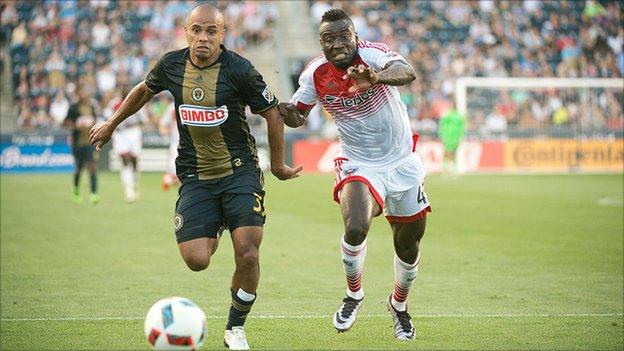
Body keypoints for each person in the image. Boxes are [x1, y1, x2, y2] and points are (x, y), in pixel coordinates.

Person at [89, 4, 301, 350]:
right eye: (197, 30)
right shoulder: (171, 64)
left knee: (248, 252)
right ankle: (216, 221)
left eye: (211, 31)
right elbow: (144, 90)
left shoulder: (240, 70)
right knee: (197, 260)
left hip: (240, 172)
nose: (203, 37)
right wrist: (111, 124)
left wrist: (277, 165)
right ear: (186, 31)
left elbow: (273, 114)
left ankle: (235, 327)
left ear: (222, 34)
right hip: (195, 175)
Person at [278, 9, 431, 340]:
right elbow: (297, 117)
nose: (336, 44)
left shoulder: (373, 54)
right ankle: (354, 295)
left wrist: (375, 77)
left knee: (409, 246)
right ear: (321, 44)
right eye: (328, 39)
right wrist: (283, 112)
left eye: (343, 36)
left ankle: (399, 306)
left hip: (403, 162)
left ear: (355, 37)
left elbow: (407, 71)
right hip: (359, 162)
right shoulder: (315, 75)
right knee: (357, 225)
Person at [107, 86, 147, 202]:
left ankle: (134, 183)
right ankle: (128, 190)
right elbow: (107, 118)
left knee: (134, 161)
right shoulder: (114, 104)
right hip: (120, 134)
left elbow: (143, 120)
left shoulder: (138, 101)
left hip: (134, 132)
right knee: (125, 160)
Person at [64, 85, 100, 204]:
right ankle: (76, 190)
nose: (83, 95)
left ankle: (94, 193)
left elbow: (95, 121)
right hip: (78, 142)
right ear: (78, 94)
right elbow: (66, 123)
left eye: (85, 92)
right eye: (81, 93)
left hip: (90, 142)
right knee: (79, 168)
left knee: (92, 167)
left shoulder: (91, 107)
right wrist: (77, 126)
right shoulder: (73, 108)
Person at [438, 105, 466, 176]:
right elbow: (462, 129)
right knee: (453, 154)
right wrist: (460, 138)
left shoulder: (447, 116)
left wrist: (441, 135)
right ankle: (452, 170)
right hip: (454, 138)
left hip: (447, 137)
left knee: (447, 153)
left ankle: (446, 170)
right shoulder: (459, 117)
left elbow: (442, 126)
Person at [159, 101, 180, 191]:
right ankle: (170, 179)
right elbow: (163, 123)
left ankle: (170, 179)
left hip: (187, 142)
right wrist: (164, 132)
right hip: (176, 142)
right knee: (173, 165)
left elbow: (163, 124)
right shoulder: (172, 107)